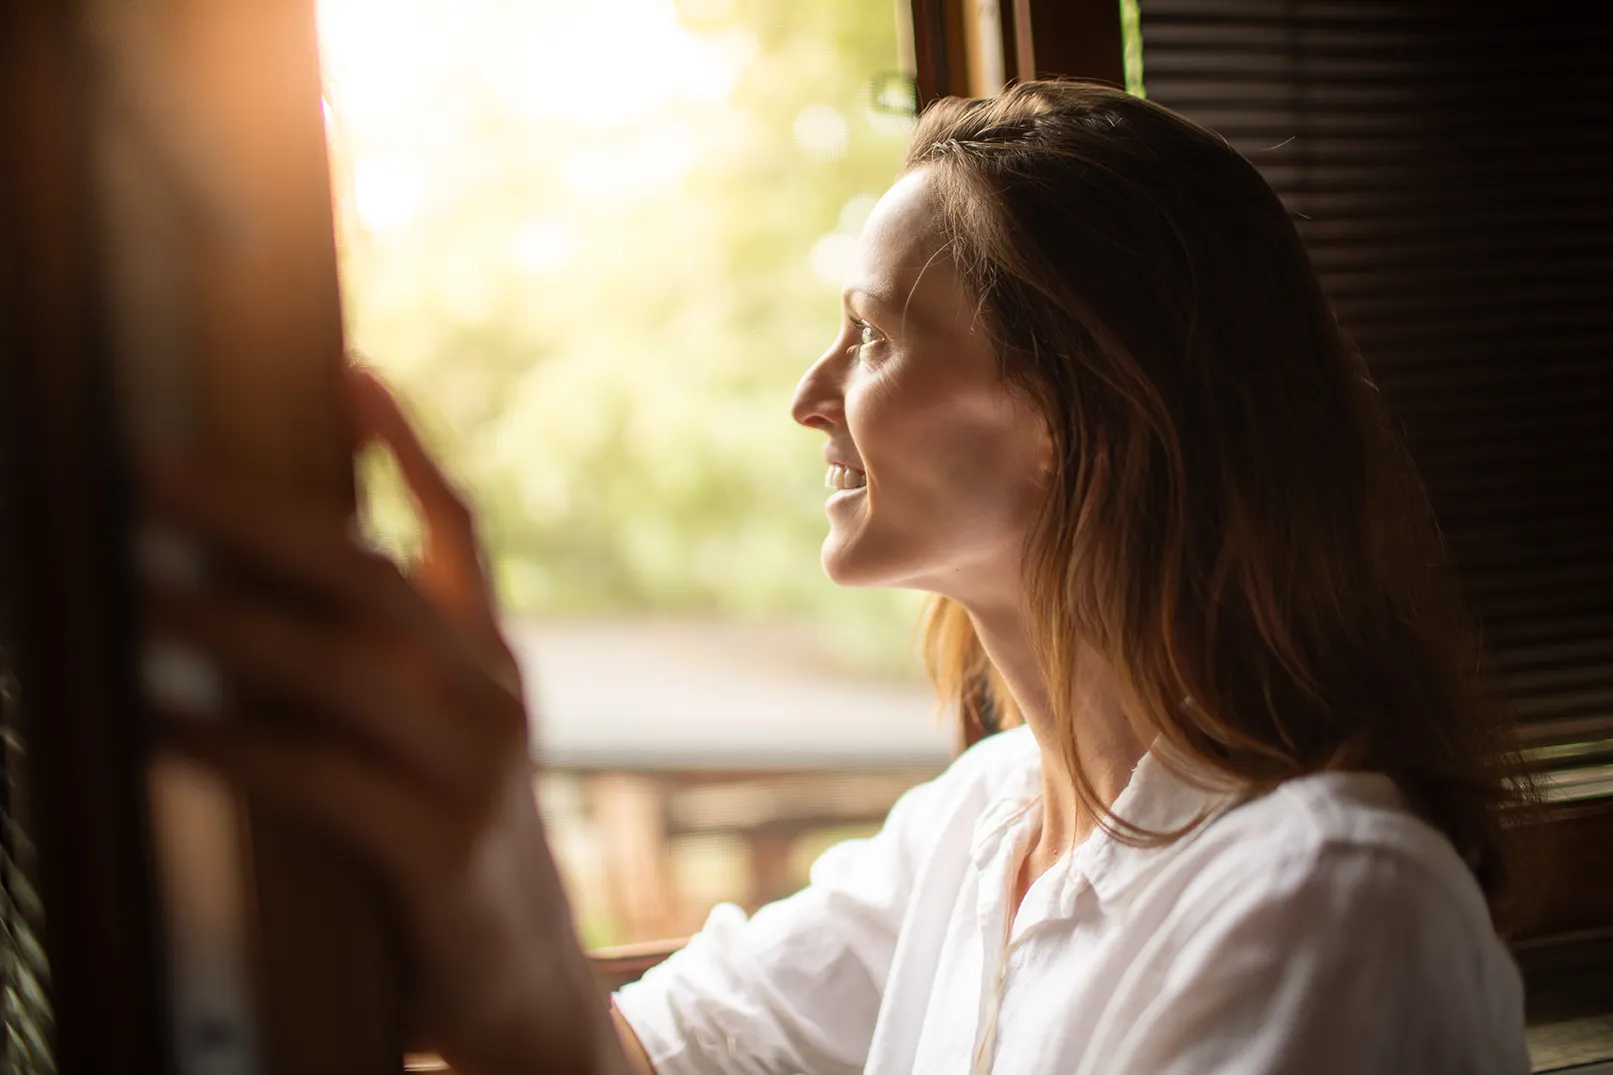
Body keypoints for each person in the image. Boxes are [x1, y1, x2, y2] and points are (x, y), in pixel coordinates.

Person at [144, 80, 1534, 1074]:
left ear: (1078, 414)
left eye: (871, 335)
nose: (811, 396)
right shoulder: (981, 827)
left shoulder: (1330, 905)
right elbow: (630, 1056)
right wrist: (468, 892)